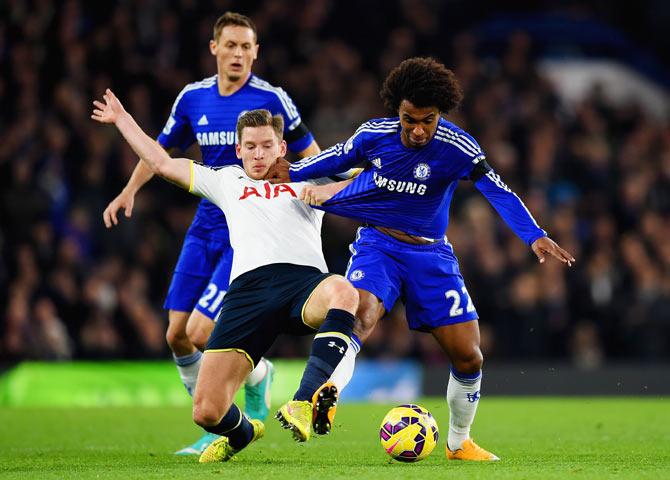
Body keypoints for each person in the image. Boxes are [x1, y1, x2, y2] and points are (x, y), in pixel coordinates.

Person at [266, 57, 576, 461]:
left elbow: (498, 190)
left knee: (469, 355)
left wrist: (534, 235)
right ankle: (321, 398)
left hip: (431, 254)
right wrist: (292, 172)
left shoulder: (458, 147)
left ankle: (458, 442)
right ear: (397, 108)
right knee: (360, 314)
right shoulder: (373, 136)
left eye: (426, 121)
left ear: (440, 115)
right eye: (409, 119)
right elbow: (333, 161)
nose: (416, 130)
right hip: (378, 246)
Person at [92, 91, 356, 462]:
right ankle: (243, 432)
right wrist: (122, 119)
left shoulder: (309, 174)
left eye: (267, 145)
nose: (259, 154)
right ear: (238, 150)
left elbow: (375, 172)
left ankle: (304, 398)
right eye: (251, 146)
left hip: (304, 285)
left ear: (282, 147)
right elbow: (161, 162)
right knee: (206, 411)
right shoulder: (226, 180)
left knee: (344, 290)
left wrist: (331, 189)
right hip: (247, 292)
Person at [101, 12, 321, 454]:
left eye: (247, 47)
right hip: (206, 224)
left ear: (256, 52)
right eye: (231, 45)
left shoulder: (273, 99)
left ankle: (224, 413)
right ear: (214, 48)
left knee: (203, 331)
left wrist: (305, 198)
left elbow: (313, 156)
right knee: (176, 335)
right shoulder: (192, 97)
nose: (239, 54)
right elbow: (162, 153)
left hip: (250, 230)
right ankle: (255, 379)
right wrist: (129, 191)